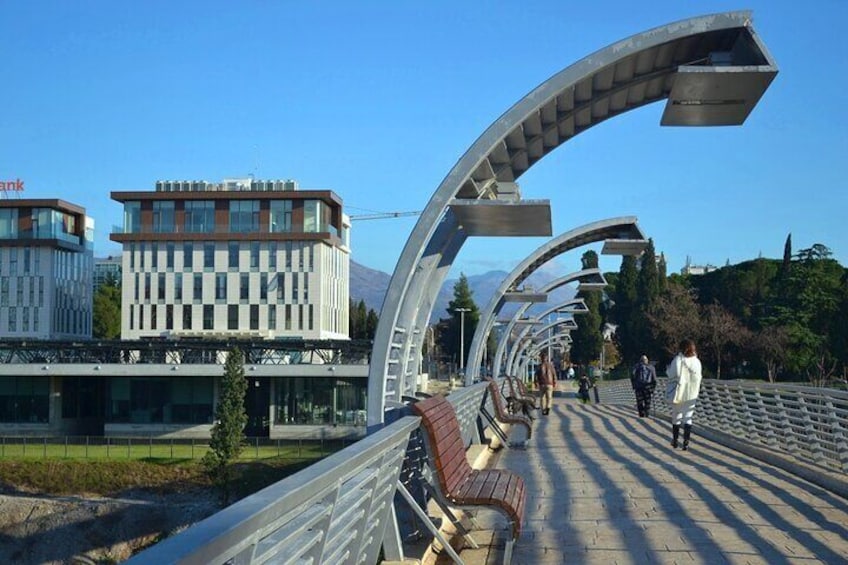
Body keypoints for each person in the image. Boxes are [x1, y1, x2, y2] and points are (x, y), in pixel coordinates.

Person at [666, 339, 703, 450]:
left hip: (680, 392)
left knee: (676, 415)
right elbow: (699, 376)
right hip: (692, 393)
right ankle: (686, 441)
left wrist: (668, 370)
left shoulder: (678, 359)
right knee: (688, 417)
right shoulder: (696, 361)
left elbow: (673, 374)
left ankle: (675, 440)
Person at [535, 350, 557, 415]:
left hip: (542, 383)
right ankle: (548, 407)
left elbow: (536, 375)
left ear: (541, 358)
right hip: (549, 384)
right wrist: (555, 382)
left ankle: (543, 410)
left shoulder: (539, 366)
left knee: (542, 398)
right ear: (546, 358)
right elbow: (554, 374)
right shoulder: (551, 366)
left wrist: (536, 383)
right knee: (549, 397)